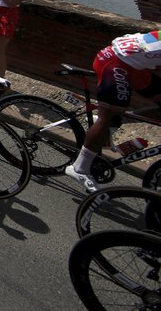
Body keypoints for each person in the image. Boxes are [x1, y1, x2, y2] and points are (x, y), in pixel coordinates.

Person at [65, 31, 161, 193]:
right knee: (108, 116)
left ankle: (109, 124)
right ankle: (79, 168)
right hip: (115, 63)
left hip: (131, 63)